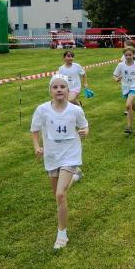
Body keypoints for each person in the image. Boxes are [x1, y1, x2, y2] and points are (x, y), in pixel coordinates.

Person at [31, 73, 89, 250]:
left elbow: (84, 125)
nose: (59, 90)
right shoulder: (42, 110)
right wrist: (37, 147)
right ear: (50, 90)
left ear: (68, 90)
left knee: (60, 195)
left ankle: (62, 234)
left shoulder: (75, 110)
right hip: (52, 156)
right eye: (55, 87)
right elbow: (34, 130)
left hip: (71, 154)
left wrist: (85, 131)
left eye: (62, 86)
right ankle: (75, 177)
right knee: (57, 193)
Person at [113, 47, 135, 134]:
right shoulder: (121, 65)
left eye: (130, 55)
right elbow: (115, 75)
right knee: (132, 106)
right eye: (126, 55)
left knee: (128, 105)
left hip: (134, 86)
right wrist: (116, 79)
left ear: (133, 55)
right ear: (124, 55)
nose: (128, 57)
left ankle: (129, 127)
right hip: (125, 87)